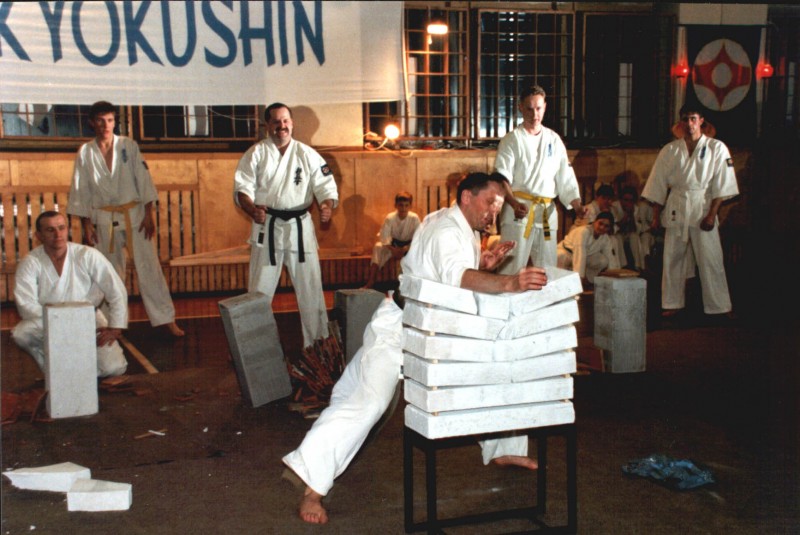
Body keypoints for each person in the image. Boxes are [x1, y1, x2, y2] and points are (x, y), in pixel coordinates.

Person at [282, 172, 548, 525]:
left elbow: (448, 271)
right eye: (489, 204)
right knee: (368, 402)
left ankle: (504, 448)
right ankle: (311, 489)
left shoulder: (458, 223)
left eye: (497, 209)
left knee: (494, 369)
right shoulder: (445, 229)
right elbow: (457, 276)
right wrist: (509, 282)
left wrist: (483, 264)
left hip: (437, 329)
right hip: (400, 328)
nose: (493, 215)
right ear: (467, 197)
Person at [67, 101, 184, 337]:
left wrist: (149, 214)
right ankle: (109, 321)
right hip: (104, 218)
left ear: (115, 122)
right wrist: (86, 224)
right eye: (100, 121)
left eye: (110, 120)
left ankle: (165, 319)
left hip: (135, 216)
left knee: (149, 268)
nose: (105, 125)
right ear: (92, 123)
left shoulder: (128, 146)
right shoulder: (86, 152)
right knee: (108, 272)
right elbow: (81, 190)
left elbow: (144, 180)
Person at [233, 102, 338, 348]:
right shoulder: (255, 153)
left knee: (311, 288)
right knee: (259, 290)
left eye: (286, 121)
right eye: (276, 121)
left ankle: (318, 345)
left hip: (300, 227)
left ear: (292, 123)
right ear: (267, 125)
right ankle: (250, 347)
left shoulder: (308, 154)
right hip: (267, 226)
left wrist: (327, 205)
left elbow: (326, 186)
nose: (282, 126)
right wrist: (252, 210)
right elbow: (242, 189)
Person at [641, 104, 739, 317]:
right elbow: (658, 184)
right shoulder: (670, 150)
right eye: (685, 119)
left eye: (693, 118)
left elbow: (722, 185)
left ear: (701, 121)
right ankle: (672, 304)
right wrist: (656, 216)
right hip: (677, 206)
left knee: (711, 258)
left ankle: (720, 306)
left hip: (702, 205)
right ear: (680, 122)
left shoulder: (716, 148)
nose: (689, 123)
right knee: (672, 259)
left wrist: (712, 214)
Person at [12, 211, 128, 377]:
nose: (57, 234)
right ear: (39, 235)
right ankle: (50, 368)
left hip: (88, 320)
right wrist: (61, 320)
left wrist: (116, 327)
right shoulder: (30, 262)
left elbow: (116, 290)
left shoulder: (88, 255)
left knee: (114, 368)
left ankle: (74, 372)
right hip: (49, 321)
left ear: (67, 230)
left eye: (61, 228)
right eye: (50, 230)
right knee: (22, 333)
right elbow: (25, 304)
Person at [494, 85, 587, 274]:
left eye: (538, 108)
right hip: (519, 211)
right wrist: (513, 203)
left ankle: (547, 295)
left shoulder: (554, 139)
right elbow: (501, 177)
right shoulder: (512, 140)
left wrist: (577, 206)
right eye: (529, 109)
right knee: (511, 267)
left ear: (545, 107)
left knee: (548, 268)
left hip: (546, 211)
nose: (534, 114)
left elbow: (565, 176)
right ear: (520, 107)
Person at [362, 191, 420, 289]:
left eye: (406, 205)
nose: (403, 209)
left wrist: (406, 248)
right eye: (401, 205)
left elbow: (418, 237)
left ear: (410, 206)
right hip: (393, 246)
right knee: (378, 247)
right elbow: (384, 237)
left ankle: (415, 285)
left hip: (409, 247)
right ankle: (371, 282)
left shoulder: (414, 218)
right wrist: (394, 250)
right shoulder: (390, 218)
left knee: (421, 250)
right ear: (396, 205)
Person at [557, 211, 620, 286]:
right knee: (562, 256)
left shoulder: (605, 238)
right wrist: (579, 278)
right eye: (600, 223)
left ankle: (588, 280)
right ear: (595, 222)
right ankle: (575, 281)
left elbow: (610, 256)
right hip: (566, 253)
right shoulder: (583, 232)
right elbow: (580, 254)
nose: (602, 227)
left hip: (585, 257)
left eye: (606, 226)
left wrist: (614, 277)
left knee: (603, 260)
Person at [612, 186, 654, 271]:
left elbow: (634, 229)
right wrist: (626, 215)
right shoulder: (614, 207)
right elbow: (617, 227)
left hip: (631, 233)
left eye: (631, 200)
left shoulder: (636, 208)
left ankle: (638, 266)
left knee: (634, 237)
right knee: (618, 238)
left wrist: (630, 214)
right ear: (621, 199)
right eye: (625, 200)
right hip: (617, 234)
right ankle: (622, 266)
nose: (628, 202)